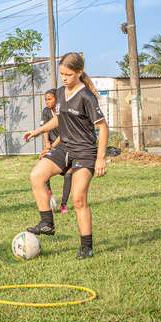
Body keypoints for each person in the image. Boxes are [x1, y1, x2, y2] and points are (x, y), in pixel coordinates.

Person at [23, 52, 108, 259]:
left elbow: (103, 128)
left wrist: (100, 158)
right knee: (36, 176)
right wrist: (38, 131)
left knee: (78, 199)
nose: (64, 78)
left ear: (79, 73)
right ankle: (47, 223)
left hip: (85, 151)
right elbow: (59, 120)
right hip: (65, 147)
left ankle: (86, 247)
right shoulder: (60, 93)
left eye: (68, 74)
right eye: (62, 74)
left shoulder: (86, 96)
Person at [39, 89, 73, 214]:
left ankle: (63, 205)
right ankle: (50, 195)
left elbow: (64, 132)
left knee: (69, 174)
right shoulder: (46, 111)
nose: (47, 102)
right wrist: (47, 145)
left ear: (56, 99)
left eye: (49, 99)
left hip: (66, 146)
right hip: (53, 146)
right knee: (42, 165)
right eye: (45, 99)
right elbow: (45, 129)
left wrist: (52, 146)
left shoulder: (64, 110)